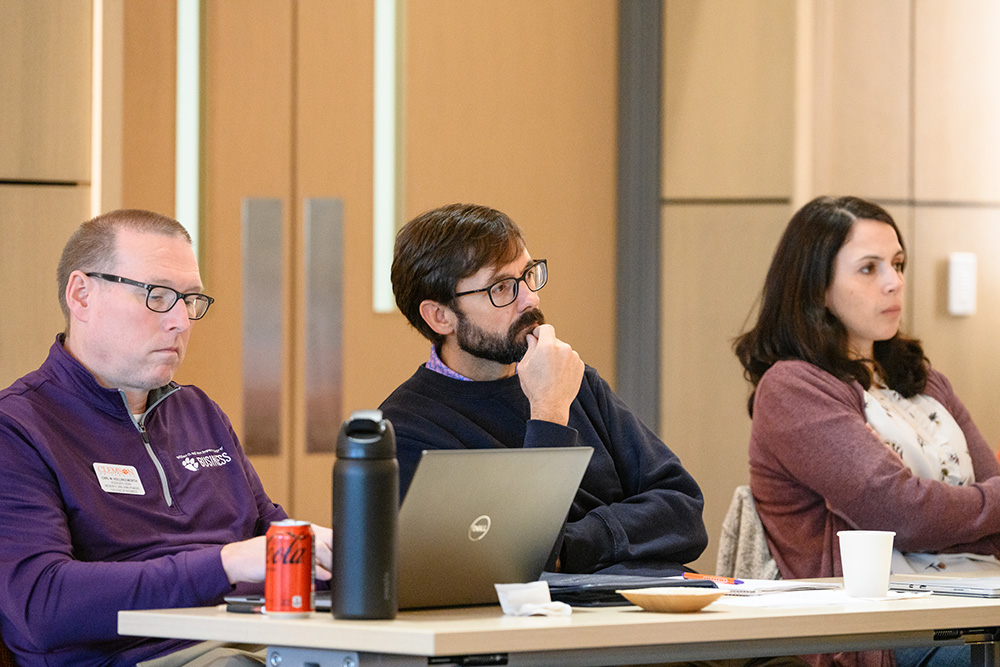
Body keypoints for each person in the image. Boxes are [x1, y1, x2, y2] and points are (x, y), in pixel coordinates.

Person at [0, 210, 333, 667]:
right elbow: (42, 605)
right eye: (157, 296)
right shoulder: (18, 427)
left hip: (253, 644)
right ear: (81, 294)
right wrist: (227, 565)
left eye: (190, 299)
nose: (181, 321)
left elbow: (269, 540)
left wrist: (338, 557)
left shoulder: (198, 412)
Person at [734, 195, 1000, 667]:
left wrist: (955, 514)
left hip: (979, 597)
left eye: (897, 264)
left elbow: (979, 501)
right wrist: (967, 514)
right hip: (886, 627)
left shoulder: (923, 379)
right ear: (817, 288)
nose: (894, 283)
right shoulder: (794, 387)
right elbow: (900, 513)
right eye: (869, 269)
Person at [379, 202, 708, 576]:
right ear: (440, 316)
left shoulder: (574, 378)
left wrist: (569, 549)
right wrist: (548, 413)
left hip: (640, 610)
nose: (530, 299)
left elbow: (684, 512)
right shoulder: (403, 431)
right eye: (502, 287)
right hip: (534, 628)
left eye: (529, 275)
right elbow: (517, 559)